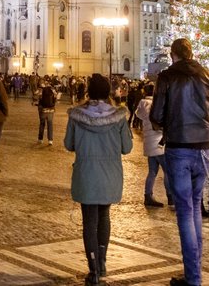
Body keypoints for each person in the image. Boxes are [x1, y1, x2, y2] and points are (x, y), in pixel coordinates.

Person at [149, 38, 209, 286]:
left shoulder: (167, 77)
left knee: (186, 212)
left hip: (179, 146)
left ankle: (194, 278)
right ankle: (193, 272)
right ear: (191, 53)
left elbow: (156, 115)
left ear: (173, 55)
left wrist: (165, 122)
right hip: (204, 147)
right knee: (196, 206)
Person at [64, 73, 133, 285]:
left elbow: (68, 144)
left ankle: (92, 269)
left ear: (89, 92)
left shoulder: (76, 115)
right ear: (108, 92)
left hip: (86, 174)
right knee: (104, 217)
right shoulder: (119, 116)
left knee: (89, 222)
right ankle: (102, 263)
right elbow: (127, 148)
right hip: (110, 174)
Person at [134, 82, 171, 208]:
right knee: (168, 171)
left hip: (149, 144)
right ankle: (170, 196)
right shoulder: (157, 105)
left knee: (152, 172)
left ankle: (148, 195)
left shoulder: (142, 104)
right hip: (160, 143)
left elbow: (138, 114)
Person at [37, 76, 58, 145]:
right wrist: (54, 102)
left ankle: (40, 139)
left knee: (42, 123)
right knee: (50, 124)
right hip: (51, 109)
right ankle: (50, 140)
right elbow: (56, 96)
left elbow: (36, 97)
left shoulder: (41, 89)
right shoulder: (52, 89)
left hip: (43, 109)